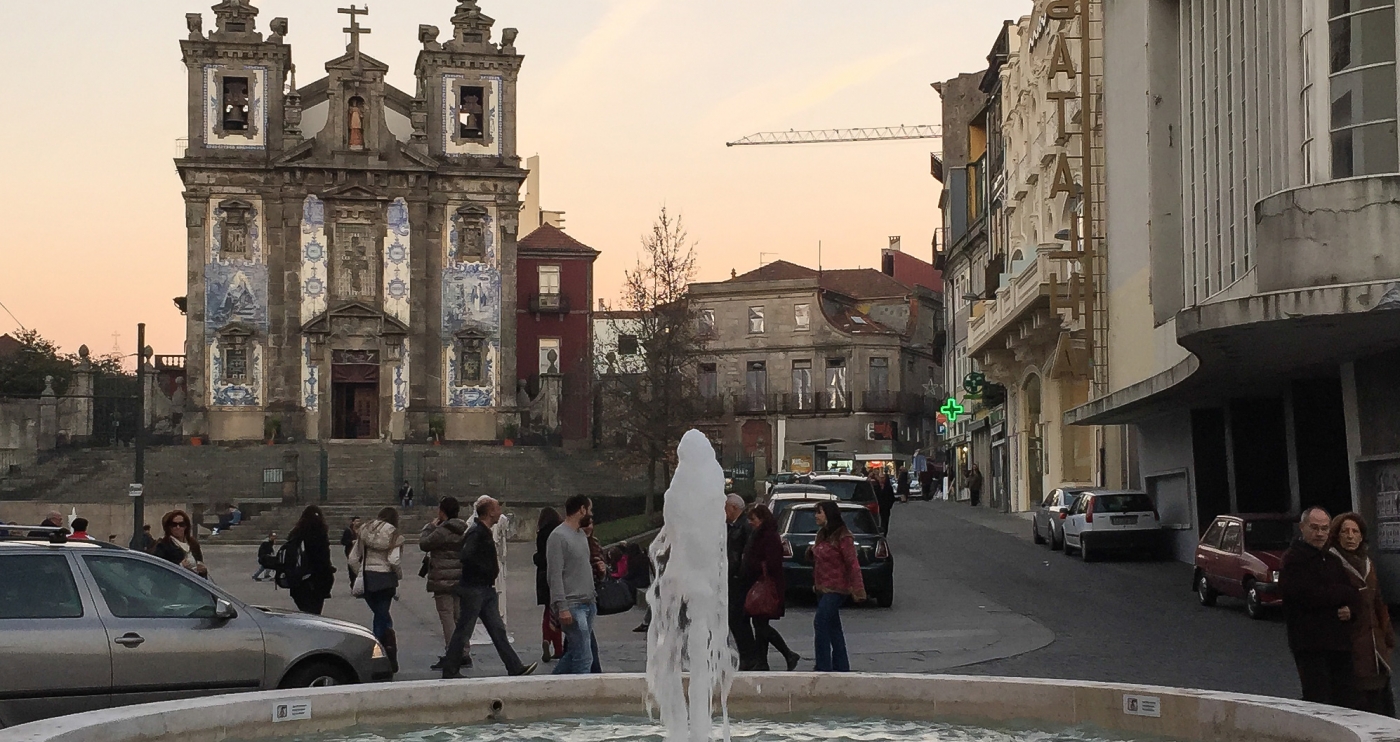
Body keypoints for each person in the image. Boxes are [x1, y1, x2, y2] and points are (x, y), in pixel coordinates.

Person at [441, 497, 538, 679]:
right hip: (474, 589)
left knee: (497, 630)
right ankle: (450, 669)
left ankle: (514, 666)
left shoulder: (483, 531)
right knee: (464, 631)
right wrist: (485, 570)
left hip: (485, 589)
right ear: (490, 512)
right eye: (497, 507)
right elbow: (466, 556)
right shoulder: (476, 533)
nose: (500, 510)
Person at [1280, 506, 1361, 708]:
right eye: (1314, 528)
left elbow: (1354, 595)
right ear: (1302, 527)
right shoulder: (1293, 560)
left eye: (1324, 528)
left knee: (1346, 700)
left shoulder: (1333, 560)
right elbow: (1308, 596)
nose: (1320, 533)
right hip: (1310, 644)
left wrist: (1351, 610)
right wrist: (1340, 593)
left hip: (1339, 644)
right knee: (1318, 701)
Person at [1328, 512, 1396, 716]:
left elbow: (1378, 601)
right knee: (1356, 698)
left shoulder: (1367, 563)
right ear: (1337, 535)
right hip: (1350, 642)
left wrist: (1387, 633)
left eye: (1354, 531)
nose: (1350, 536)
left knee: (1380, 698)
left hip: (1375, 643)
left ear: (1361, 536)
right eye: (1345, 531)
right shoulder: (1332, 561)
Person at [808, 500, 864, 672]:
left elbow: (852, 563)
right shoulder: (822, 534)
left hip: (837, 588)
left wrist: (858, 589)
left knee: (821, 621)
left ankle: (823, 666)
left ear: (829, 514)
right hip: (822, 587)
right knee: (833, 628)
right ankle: (842, 666)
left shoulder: (843, 536)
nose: (816, 516)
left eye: (819, 512)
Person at [743, 503, 800, 671]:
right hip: (761, 583)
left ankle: (788, 654)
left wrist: (753, 565)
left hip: (766, 584)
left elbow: (772, 562)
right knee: (759, 623)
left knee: (761, 625)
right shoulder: (761, 534)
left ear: (761, 519)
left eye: (753, 519)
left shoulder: (768, 536)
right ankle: (762, 661)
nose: (750, 522)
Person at [548, 495, 599, 675]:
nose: (591, 513)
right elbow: (554, 575)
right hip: (572, 604)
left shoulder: (580, 535)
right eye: (589, 509)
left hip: (588, 602)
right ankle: (581, 695)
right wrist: (562, 607)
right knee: (585, 657)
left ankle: (551, 687)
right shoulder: (558, 537)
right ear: (582, 509)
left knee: (576, 652)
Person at [351, 507, 404, 674]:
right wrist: (398, 575)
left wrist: (361, 571)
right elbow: (394, 560)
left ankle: (383, 654)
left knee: (380, 616)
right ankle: (382, 653)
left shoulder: (364, 530)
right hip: (386, 580)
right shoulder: (394, 535)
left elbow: (353, 559)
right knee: (382, 617)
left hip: (368, 579)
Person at [421, 497, 470, 671]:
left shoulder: (442, 530)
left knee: (447, 618)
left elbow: (424, 544)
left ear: (443, 511)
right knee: (458, 617)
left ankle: (453, 653)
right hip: (459, 578)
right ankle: (464, 651)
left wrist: (430, 526)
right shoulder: (464, 529)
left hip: (442, 579)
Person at [725, 493, 758, 669]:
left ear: (734, 508)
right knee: (735, 619)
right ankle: (747, 655)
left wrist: (739, 573)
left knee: (738, 619)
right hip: (733, 577)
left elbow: (745, 554)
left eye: (725, 508)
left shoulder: (744, 526)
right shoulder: (732, 526)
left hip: (740, 579)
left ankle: (749, 656)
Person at [285, 508, 335, 614]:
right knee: (314, 613)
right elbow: (323, 560)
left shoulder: (295, 534)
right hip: (317, 581)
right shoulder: (320, 534)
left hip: (298, 581)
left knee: (306, 611)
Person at [534, 507, 565, 663]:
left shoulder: (542, 534)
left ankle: (547, 639)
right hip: (556, 575)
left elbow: (540, 557)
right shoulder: (560, 532)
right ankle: (558, 648)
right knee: (557, 611)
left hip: (542, 577)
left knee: (548, 610)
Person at [153, 509, 208, 578]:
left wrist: (203, 571)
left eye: (181, 524)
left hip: (193, 584)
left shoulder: (193, 544)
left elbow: (201, 567)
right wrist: (180, 567)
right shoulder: (163, 545)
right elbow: (157, 570)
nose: (178, 527)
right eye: (174, 525)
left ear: (186, 526)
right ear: (169, 527)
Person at [875, 469, 896, 536]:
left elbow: (892, 498)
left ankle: (884, 534)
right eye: (880, 478)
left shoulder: (888, 487)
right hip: (878, 507)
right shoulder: (876, 486)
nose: (881, 479)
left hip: (885, 508)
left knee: (885, 521)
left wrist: (888, 506)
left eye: (883, 478)